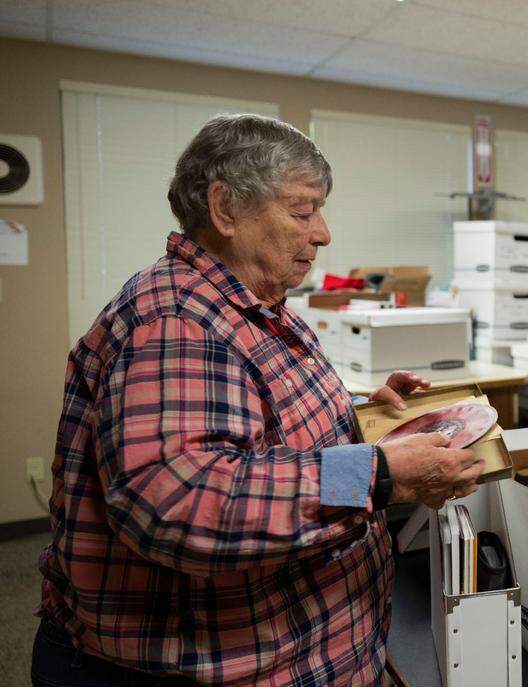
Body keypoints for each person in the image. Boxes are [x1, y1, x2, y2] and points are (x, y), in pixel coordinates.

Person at [32, 114, 482, 685]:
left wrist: (361, 412)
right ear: (225, 210)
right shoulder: (177, 321)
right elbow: (183, 501)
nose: (322, 233)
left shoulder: (252, 306)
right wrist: (379, 475)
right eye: (302, 211)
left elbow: (255, 420)